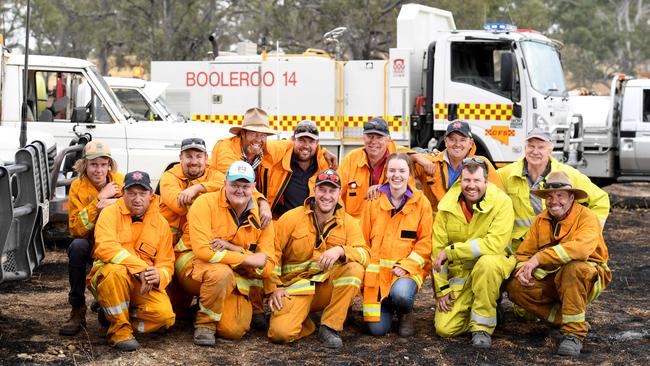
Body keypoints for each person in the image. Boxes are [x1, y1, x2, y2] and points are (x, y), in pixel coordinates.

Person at [506, 171, 611, 357]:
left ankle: (574, 335)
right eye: (549, 197)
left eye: (560, 196)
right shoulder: (541, 220)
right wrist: (522, 270)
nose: (554, 201)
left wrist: (539, 259)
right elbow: (523, 254)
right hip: (555, 278)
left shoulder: (587, 217)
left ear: (572, 197)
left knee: (573, 268)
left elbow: (581, 250)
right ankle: (562, 320)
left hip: (587, 278)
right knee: (514, 287)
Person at [177, 161, 276, 346]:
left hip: (232, 275)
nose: (240, 190)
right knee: (220, 273)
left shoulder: (263, 218)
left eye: (245, 186)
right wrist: (247, 258)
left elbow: (267, 265)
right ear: (224, 184)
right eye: (234, 185)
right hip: (191, 264)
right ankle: (205, 324)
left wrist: (235, 249)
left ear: (254, 188)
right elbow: (204, 251)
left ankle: (206, 305)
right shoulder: (205, 203)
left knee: (234, 330)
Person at [266, 169, 368, 348]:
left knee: (354, 269)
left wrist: (340, 250)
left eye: (332, 191)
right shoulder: (291, 218)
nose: (326, 196)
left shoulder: (349, 223)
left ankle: (330, 326)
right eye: (322, 190)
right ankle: (304, 319)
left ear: (339, 194)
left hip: (325, 288)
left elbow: (365, 254)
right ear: (314, 190)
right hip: (294, 289)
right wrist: (274, 287)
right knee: (280, 335)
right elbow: (272, 254)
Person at [87, 171, 175, 351]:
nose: (137, 199)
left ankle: (111, 314)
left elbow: (166, 262)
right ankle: (120, 332)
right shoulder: (109, 214)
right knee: (115, 271)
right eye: (131, 193)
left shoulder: (161, 223)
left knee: (165, 317)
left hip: (142, 284)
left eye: (142, 194)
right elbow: (105, 247)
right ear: (123, 193)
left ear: (151, 195)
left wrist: (157, 275)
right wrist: (141, 268)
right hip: (108, 278)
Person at [431, 158, 514, 348]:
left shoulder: (502, 202)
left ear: (486, 181)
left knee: (487, 264)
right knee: (445, 330)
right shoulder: (446, 206)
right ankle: (490, 311)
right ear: (460, 180)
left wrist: (452, 252)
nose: (471, 186)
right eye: (467, 180)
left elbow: (494, 244)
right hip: (462, 275)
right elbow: (437, 251)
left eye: (477, 181)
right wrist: (441, 289)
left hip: (493, 265)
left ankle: (482, 328)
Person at [497, 128, 610, 254]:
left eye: (541, 147)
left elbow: (601, 200)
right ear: (525, 147)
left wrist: (590, 233)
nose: (535, 151)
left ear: (550, 150)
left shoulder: (567, 174)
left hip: (555, 247)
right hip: (519, 249)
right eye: (531, 146)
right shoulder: (505, 175)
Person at [361, 153, 433, 337]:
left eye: (402, 170)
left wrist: (407, 266)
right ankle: (387, 305)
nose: (396, 175)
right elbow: (362, 240)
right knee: (377, 331)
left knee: (401, 294)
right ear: (385, 173)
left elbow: (426, 241)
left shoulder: (421, 202)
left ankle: (404, 312)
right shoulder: (373, 201)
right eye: (392, 170)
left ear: (409, 174)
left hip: (405, 274)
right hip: (377, 278)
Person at [59, 140, 124, 336]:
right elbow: (77, 229)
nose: (98, 170)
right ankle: (77, 310)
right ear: (84, 165)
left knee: (106, 320)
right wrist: (99, 201)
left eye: (103, 164)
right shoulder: (77, 188)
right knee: (77, 247)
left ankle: (107, 300)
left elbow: (134, 211)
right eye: (93, 164)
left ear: (110, 165)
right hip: (90, 243)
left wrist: (113, 202)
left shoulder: (121, 181)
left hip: (116, 243)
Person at [159, 137, 225, 315]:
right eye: (189, 156)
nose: (194, 161)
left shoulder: (216, 175)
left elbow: (228, 186)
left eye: (198, 156)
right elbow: (178, 205)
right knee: (175, 309)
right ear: (180, 158)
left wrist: (197, 188)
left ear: (206, 158)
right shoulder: (169, 177)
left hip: (197, 242)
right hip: (168, 243)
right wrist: (211, 196)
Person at [338, 117, 432, 219]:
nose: (373, 141)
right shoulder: (351, 159)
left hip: (387, 225)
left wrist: (383, 188)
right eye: (370, 136)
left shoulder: (401, 160)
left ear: (388, 140)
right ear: (363, 137)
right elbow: (336, 192)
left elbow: (407, 190)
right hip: (356, 227)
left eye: (379, 137)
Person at [413, 120, 503, 212]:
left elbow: (500, 200)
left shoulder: (482, 164)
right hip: (436, 224)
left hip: (469, 223)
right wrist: (417, 157)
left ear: (471, 142)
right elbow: (398, 154)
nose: (457, 144)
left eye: (462, 140)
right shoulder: (430, 162)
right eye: (452, 139)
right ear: (445, 141)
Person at [258, 120, 332, 219]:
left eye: (311, 141)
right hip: (281, 227)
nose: (306, 146)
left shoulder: (325, 167)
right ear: (293, 140)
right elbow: (262, 146)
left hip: (311, 229)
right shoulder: (278, 163)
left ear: (317, 143)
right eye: (301, 140)